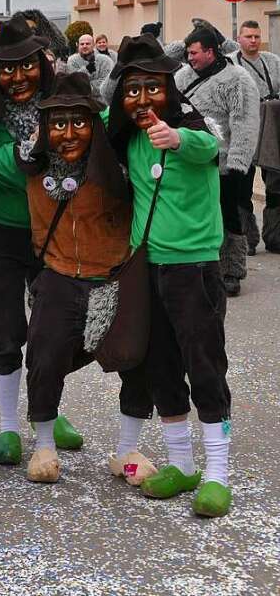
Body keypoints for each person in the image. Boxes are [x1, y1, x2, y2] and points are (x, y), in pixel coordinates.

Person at [0, 71, 155, 484]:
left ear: (94, 125)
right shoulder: (32, 165)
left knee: (138, 360)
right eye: (58, 122)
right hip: (59, 275)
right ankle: (43, 444)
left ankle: (128, 450)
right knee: (44, 359)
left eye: (78, 122)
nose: (68, 133)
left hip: (115, 276)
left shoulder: (119, 166)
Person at [106, 34, 234, 518]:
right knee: (160, 364)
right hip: (147, 265)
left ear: (169, 87)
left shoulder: (190, 125)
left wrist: (176, 137)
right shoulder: (128, 134)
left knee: (204, 363)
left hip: (194, 266)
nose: (142, 99)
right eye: (132, 90)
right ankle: (181, 464)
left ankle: (218, 472)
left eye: (151, 88)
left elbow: (208, 146)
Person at [0, 16, 85, 467]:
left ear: (42, 64)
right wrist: (29, 155)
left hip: (54, 230)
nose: (17, 77)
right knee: (6, 332)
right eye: (6, 68)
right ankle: (6, 426)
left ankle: (48, 410)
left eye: (26, 66)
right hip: (0, 232)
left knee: (53, 330)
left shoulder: (61, 105)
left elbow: (93, 136)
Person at [174, 22, 260, 297]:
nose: (189, 58)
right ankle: (202, 267)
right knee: (198, 216)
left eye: (194, 53)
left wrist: (237, 163)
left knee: (229, 217)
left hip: (224, 163)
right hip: (190, 160)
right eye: (187, 53)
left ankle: (232, 270)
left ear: (211, 52)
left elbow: (245, 122)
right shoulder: (183, 77)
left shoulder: (238, 80)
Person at [231, 19, 280, 254]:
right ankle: (244, 238)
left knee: (275, 186)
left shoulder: (273, 62)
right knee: (242, 187)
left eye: (257, 36)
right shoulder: (231, 63)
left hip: (272, 129)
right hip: (243, 131)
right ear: (239, 38)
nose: (253, 41)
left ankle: (275, 235)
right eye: (249, 36)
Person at [67, 34, 114, 100]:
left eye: (87, 44)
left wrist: (86, 85)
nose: (84, 46)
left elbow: (107, 85)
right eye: (82, 44)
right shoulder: (72, 60)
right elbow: (74, 84)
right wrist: (86, 70)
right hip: (81, 102)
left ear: (93, 45)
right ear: (77, 45)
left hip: (102, 103)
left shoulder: (105, 60)